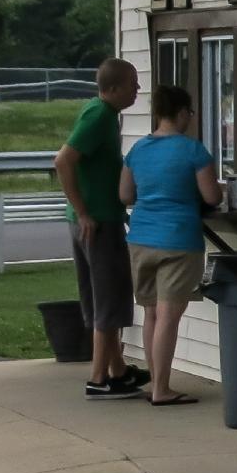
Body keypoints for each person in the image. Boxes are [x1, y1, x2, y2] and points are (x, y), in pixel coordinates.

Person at [120, 84, 220, 407]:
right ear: (180, 114)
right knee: (168, 316)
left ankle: (155, 384)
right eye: (190, 113)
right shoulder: (193, 151)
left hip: (140, 238)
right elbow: (212, 197)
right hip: (178, 239)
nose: (190, 119)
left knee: (151, 314)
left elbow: (125, 195)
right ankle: (162, 389)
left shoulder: (138, 150)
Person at [55, 58, 146, 399]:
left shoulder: (103, 114)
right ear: (113, 88)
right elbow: (63, 160)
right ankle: (98, 378)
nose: (137, 90)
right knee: (109, 299)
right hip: (97, 222)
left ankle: (118, 370)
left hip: (99, 217)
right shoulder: (98, 116)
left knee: (101, 296)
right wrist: (84, 212)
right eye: (132, 84)